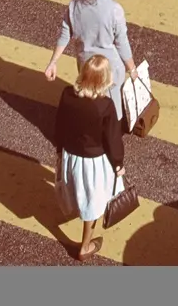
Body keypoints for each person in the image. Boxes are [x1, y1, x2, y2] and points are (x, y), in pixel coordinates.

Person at [45, 0, 137, 123]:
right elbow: (122, 43)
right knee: (111, 109)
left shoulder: (74, 5)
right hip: (109, 69)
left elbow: (65, 35)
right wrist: (132, 68)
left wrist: (53, 62)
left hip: (86, 66)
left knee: (90, 102)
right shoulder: (114, 9)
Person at [54, 55, 126, 262]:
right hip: (94, 160)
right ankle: (85, 246)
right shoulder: (105, 106)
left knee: (77, 188)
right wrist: (119, 164)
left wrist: (60, 149)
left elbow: (60, 125)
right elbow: (112, 140)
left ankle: (81, 227)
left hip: (71, 154)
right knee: (93, 202)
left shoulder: (67, 95)